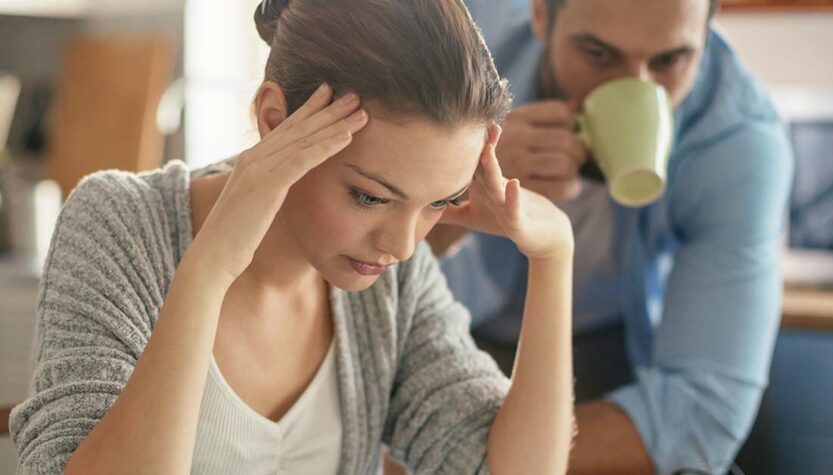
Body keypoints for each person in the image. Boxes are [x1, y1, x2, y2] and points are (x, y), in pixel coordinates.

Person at [9, 1, 577, 474]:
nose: (404, 245)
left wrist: (554, 256)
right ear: (276, 120)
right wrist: (208, 273)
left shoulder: (389, 282)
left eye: (439, 202)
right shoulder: (119, 225)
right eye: (370, 196)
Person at [430, 0, 794, 473]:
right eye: (598, 54)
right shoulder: (455, 50)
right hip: (448, 334)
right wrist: (454, 185)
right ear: (540, 15)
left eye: (670, 61)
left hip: (609, 351)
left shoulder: (737, 142)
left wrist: (477, 461)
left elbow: (701, 413)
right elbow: (355, 259)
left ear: (707, 37)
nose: (634, 88)